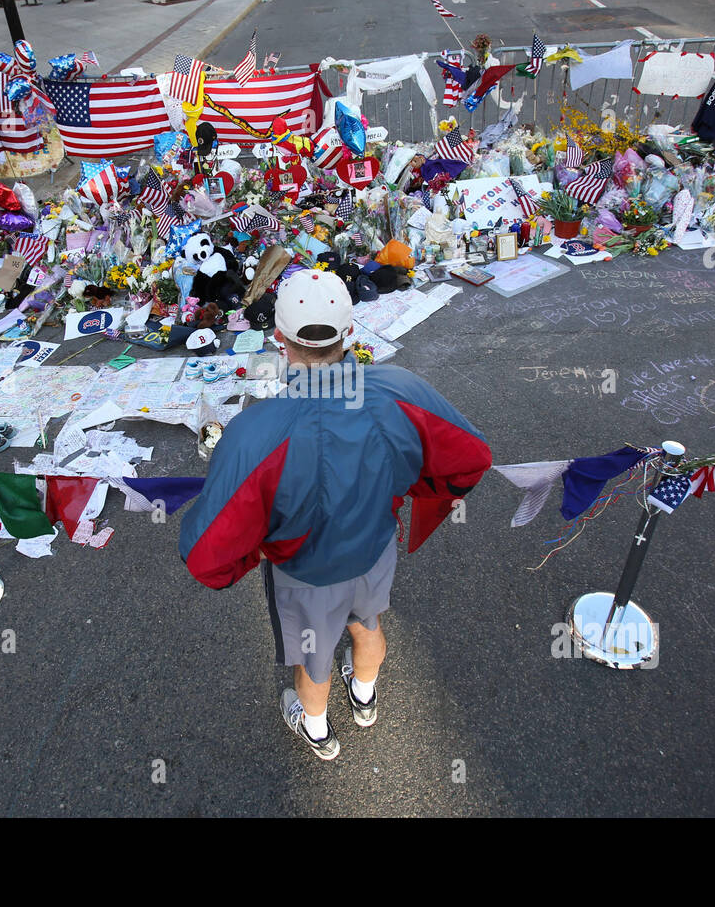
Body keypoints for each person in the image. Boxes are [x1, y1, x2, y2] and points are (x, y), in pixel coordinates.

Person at [179, 269, 492, 760]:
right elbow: (472, 456)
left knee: (312, 660)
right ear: (350, 332)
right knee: (368, 625)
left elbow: (205, 555)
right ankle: (365, 699)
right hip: (373, 549)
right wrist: (408, 491)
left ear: (279, 339)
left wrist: (259, 550)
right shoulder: (400, 389)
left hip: (306, 572)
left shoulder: (253, 433)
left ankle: (318, 729)